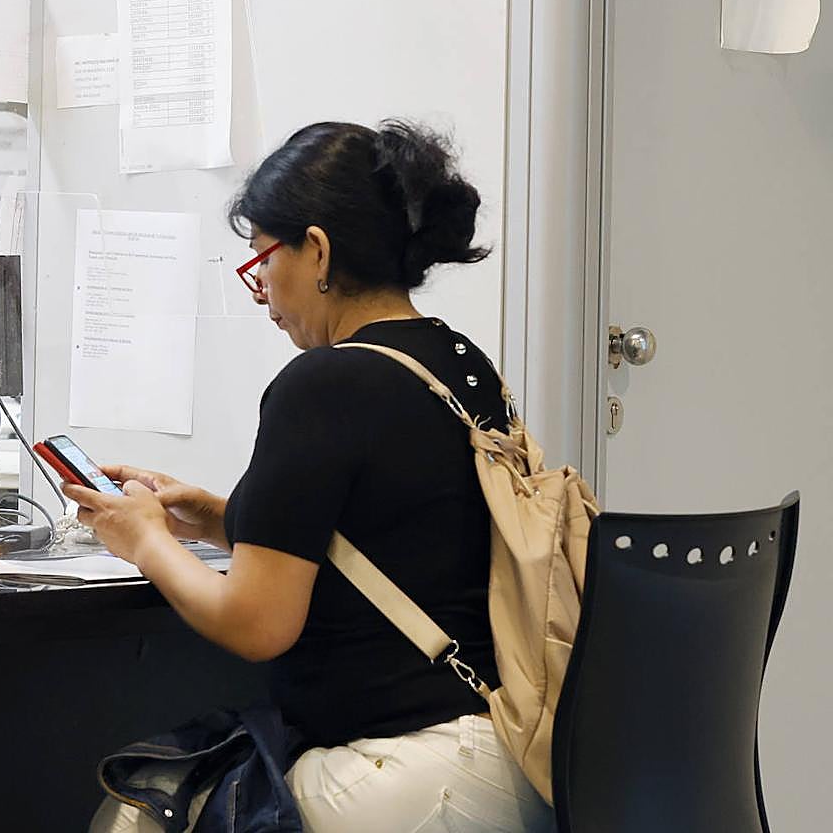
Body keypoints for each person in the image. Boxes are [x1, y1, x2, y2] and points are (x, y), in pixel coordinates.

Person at [66, 120, 555, 833]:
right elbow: (399, 528)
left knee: (135, 814)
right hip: (514, 759)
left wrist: (144, 542)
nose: (261, 288)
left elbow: (255, 623)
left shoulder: (322, 383)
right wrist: (216, 516)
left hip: (411, 779)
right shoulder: (459, 361)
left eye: (262, 258)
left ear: (317, 250)